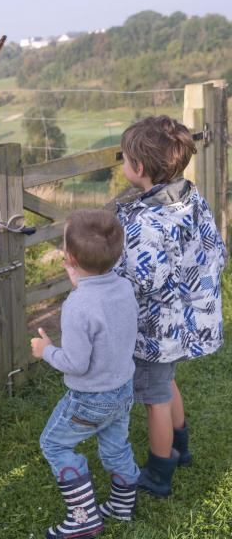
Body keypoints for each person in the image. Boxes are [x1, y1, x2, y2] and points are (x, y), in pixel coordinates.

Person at [114, 115, 226, 497]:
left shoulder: (147, 223)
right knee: (165, 381)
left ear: (139, 168)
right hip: (188, 320)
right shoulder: (192, 198)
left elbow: (141, 280)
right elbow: (216, 251)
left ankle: (159, 472)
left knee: (154, 397)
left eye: (124, 158)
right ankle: (182, 447)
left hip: (159, 330)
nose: (122, 163)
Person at [31, 209, 140, 539]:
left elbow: (76, 364)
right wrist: (82, 279)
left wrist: (45, 350)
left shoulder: (78, 305)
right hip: (123, 388)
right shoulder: (123, 287)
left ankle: (83, 519)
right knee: (115, 446)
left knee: (54, 445)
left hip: (91, 398)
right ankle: (122, 505)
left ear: (69, 257)